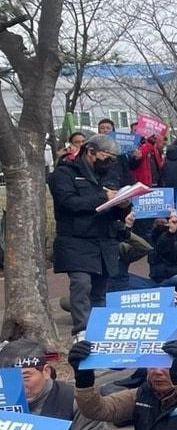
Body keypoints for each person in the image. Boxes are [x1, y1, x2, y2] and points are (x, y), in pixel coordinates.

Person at [48, 134, 133, 337]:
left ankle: (99, 331)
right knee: (81, 284)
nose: (109, 162)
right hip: (76, 240)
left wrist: (123, 205)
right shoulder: (65, 172)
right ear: (91, 152)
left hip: (104, 240)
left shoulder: (109, 174)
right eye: (106, 157)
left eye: (113, 159)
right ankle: (82, 330)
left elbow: (114, 210)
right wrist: (102, 197)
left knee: (100, 290)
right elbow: (68, 203)